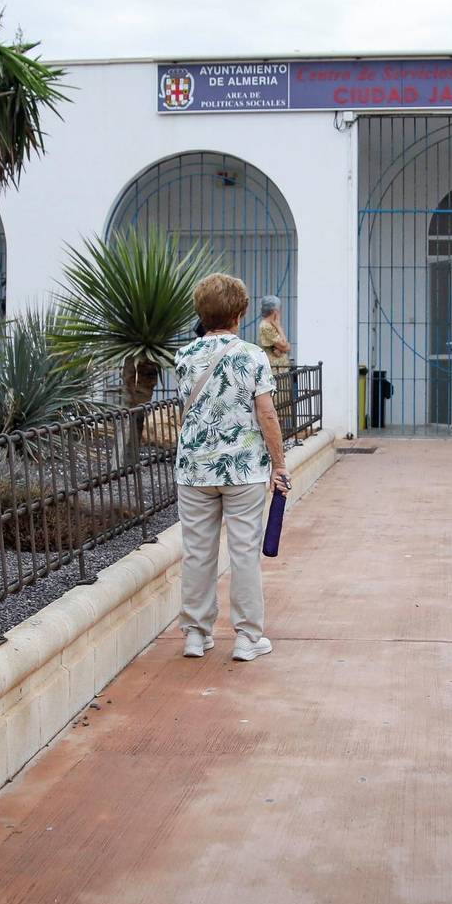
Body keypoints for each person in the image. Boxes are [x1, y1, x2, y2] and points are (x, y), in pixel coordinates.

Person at [175, 273, 289, 663]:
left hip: (194, 470)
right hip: (243, 471)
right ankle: (247, 637)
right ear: (240, 314)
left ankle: (195, 634)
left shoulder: (184, 355)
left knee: (197, 552)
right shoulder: (253, 355)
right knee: (243, 553)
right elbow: (267, 415)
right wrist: (280, 464)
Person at [257, 294, 293, 415]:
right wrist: (279, 326)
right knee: (277, 405)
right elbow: (286, 346)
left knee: (283, 404)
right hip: (274, 371)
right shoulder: (266, 326)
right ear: (274, 311)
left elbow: (285, 346)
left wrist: (282, 347)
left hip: (280, 371)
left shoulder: (270, 326)